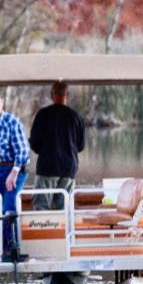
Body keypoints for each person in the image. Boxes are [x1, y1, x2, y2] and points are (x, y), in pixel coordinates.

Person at [0, 88, 29, 260]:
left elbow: (23, 152)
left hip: (16, 168)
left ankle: (11, 248)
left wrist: (14, 173)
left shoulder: (12, 122)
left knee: (9, 205)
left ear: (1, 103)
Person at [29, 81, 86, 211]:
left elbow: (34, 144)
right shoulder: (76, 117)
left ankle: (42, 231)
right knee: (65, 209)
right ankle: (65, 231)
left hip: (47, 168)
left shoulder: (43, 114)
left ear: (51, 95)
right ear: (68, 95)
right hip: (68, 168)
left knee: (41, 207)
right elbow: (81, 146)